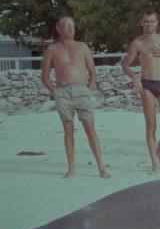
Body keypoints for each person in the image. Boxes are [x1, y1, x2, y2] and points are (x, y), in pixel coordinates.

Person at [41, 15, 110, 179]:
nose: (69, 28)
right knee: (68, 130)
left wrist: (89, 90)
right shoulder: (52, 49)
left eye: (71, 25)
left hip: (82, 91)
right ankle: (71, 168)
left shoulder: (82, 46)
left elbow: (93, 72)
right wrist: (54, 93)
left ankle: (101, 167)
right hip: (63, 92)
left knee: (90, 129)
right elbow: (44, 75)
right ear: (58, 28)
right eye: (65, 25)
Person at [122, 7, 160, 174]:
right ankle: (154, 161)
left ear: (157, 23)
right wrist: (134, 77)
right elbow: (125, 65)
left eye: (152, 21)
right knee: (151, 126)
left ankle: (159, 149)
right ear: (141, 22)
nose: (149, 24)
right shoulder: (137, 43)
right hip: (147, 84)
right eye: (146, 21)